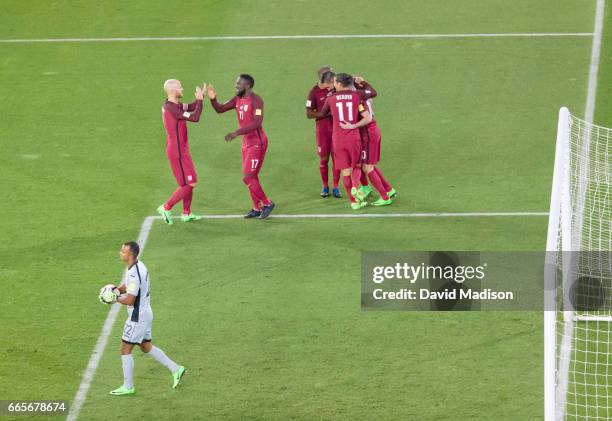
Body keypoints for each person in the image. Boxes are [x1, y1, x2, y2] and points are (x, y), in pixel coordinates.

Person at [109, 241, 186, 395]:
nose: (120, 253)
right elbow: (128, 285)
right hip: (146, 313)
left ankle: (128, 387)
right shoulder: (137, 266)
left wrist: (113, 298)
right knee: (145, 346)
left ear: (130, 255)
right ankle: (176, 369)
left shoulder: (135, 273)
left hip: (137, 317)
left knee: (125, 349)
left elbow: (130, 300)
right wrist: (117, 290)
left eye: (123, 251)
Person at [207, 75, 275, 219]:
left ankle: (267, 203)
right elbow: (220, 109)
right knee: (251, 177)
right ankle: (256, 208)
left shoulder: (256, 101)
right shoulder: (237, 99)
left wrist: (236, 133)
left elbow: (257, 123)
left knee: (248, 177)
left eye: (239, 83)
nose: (236, 85)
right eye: (236, 83)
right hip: (246, 143)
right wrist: (213, 99)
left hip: (257, 143)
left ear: (247, 86)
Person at [316, 73, 372, 209]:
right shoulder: (357, 96)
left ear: (340, 84)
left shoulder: (330, 99)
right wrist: (353, 125)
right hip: (353, 138)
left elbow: (322, 114)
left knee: (345, 172)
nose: (333, 84)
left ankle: (353, 202)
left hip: (338, 140)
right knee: (357, 166)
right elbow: (367, 118)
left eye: (335, 82)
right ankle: (355, 187)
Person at [157, 79, 204, 225]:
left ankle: (186, 213)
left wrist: (198, 99)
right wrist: (200, 102)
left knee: (187, 183)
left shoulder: (175, 105)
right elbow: (195, 117)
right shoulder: (172, 108)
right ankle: (166, 207)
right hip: (177, 151)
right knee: (191, 183)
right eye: (180, 87)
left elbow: (190, 107)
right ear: (173, 91)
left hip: (179, 148)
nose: (182, 88)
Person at [306, 68, 341, 198]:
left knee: (337, 158)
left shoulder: (336, 88)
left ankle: (336, 187)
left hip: (338, 128)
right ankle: (325, 186)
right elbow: (308, 113)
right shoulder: (313, 92)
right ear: (329, 81)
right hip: (323, 130)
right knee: (324, 159)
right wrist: (322, 113)